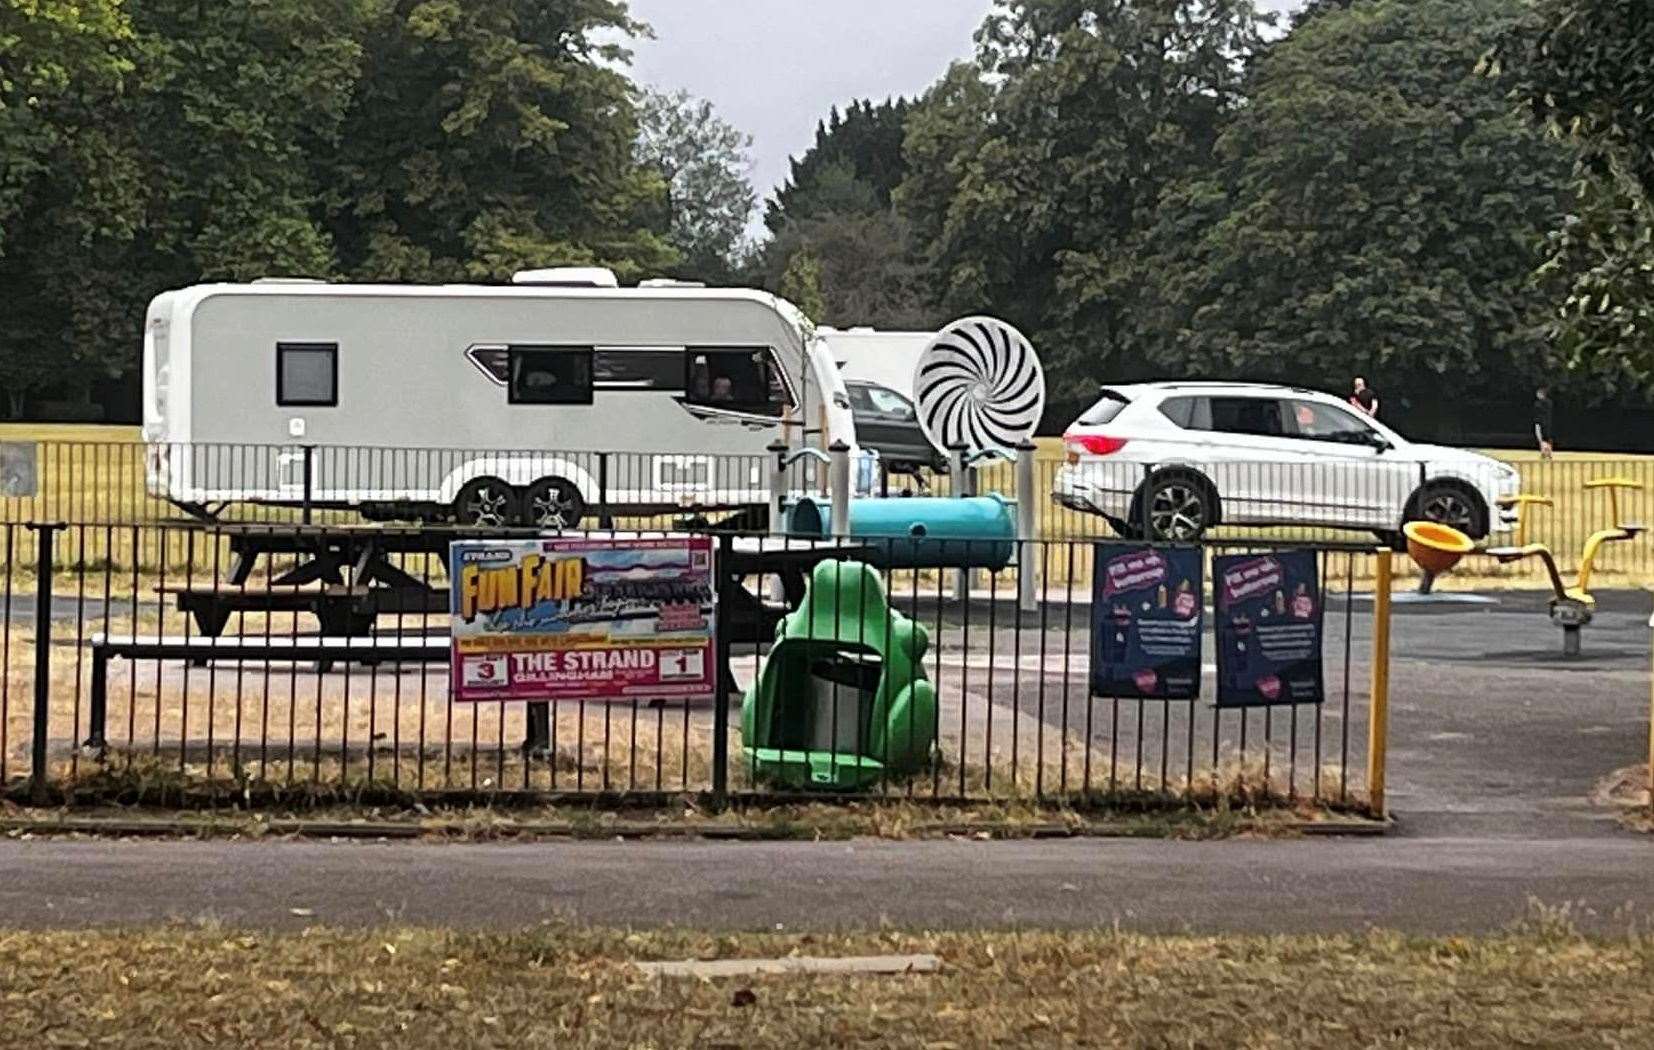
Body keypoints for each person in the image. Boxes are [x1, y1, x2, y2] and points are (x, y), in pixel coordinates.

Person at [1533, 387, 1555, 460]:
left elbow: (1537, 413)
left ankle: (1544, 453)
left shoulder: (1538, 403)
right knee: (1547, 438)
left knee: (1541, 439)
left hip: (1540, 423)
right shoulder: (1549, 402)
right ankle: (1548, 453)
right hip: (1548, 423)